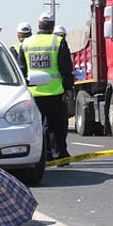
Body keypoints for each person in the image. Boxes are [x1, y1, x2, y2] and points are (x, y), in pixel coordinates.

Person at [19, 12, 74, 165]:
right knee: (58, 126)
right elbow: (66, 67)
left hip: (33, 93)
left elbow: (21, 69)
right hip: (55, 92)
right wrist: (68, 88)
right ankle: (61, 155)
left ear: (38, 26)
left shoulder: (27, 43)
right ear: (52, 26)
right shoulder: (58, 42)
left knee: (38, 126)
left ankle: (46, 155)